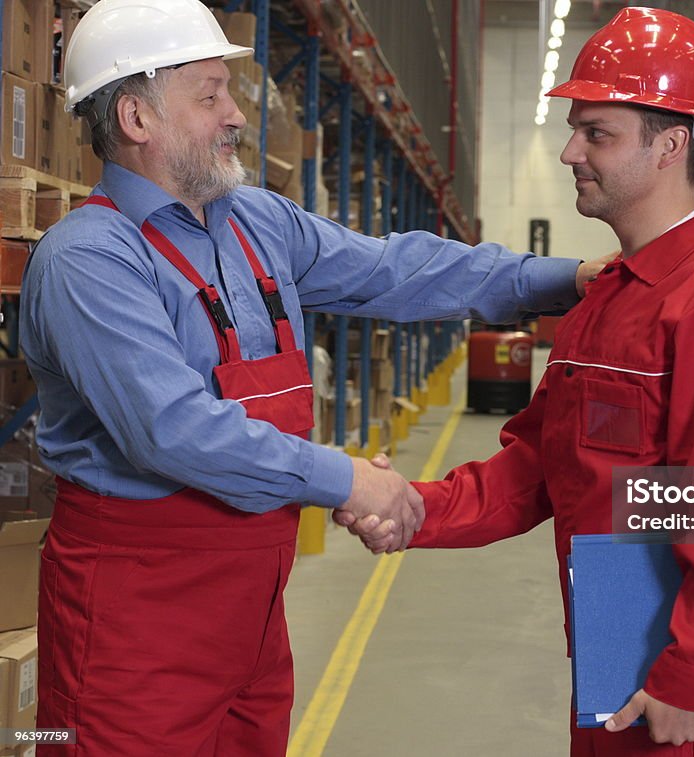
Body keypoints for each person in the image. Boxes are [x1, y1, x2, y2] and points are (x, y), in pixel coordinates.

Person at [21, 1, 606, 754]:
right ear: (136, 116)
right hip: (129, 627)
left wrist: (568, 279)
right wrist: (348, 479)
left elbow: (395, 270)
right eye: (210, 95)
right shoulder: (87, 260)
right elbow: (174, 429)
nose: (236, 115)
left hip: (252, 617)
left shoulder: (256, 222)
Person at [344, 8, 694, 756]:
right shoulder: (605, 301)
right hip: (611, 661)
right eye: (575, 128)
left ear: (672, 146)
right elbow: (537, 470)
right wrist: (412, 508)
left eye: (598, 132)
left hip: (679, 696)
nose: (569, 152)